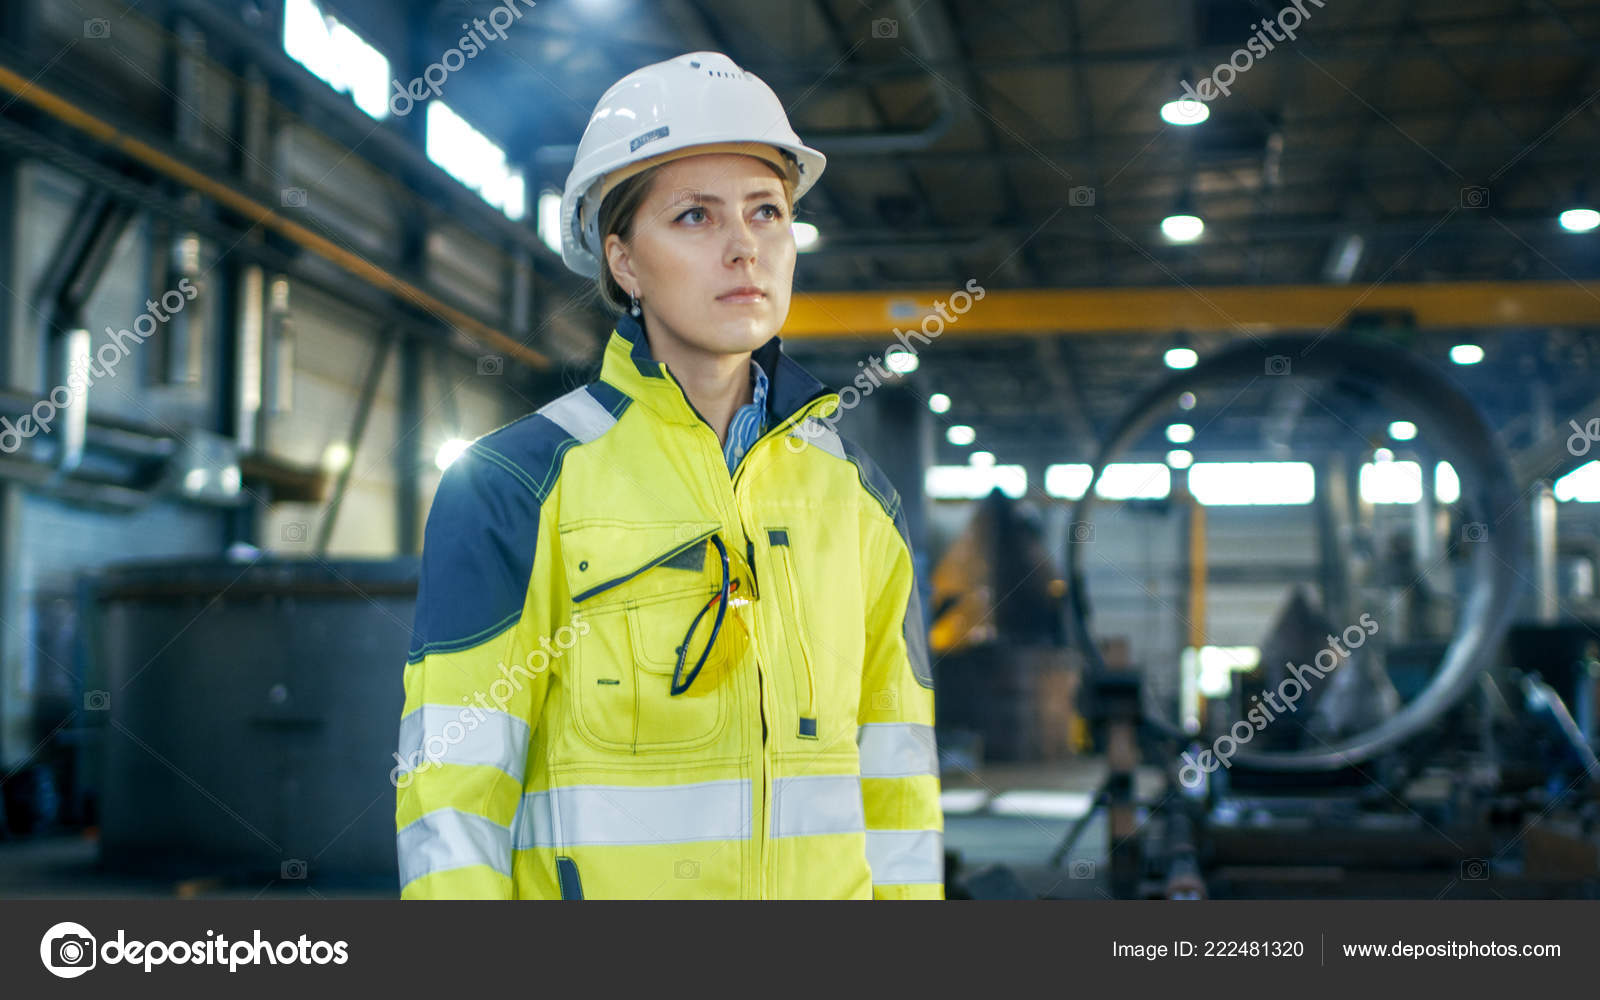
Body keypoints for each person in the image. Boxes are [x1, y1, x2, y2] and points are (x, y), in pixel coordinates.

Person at [394, 51, 942, 899]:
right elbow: (452, 792)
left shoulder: (858, 498)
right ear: (624, 262)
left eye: (767, 213)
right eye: (694, 217)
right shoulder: (514, 485)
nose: (744, 249)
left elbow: (899, 779)